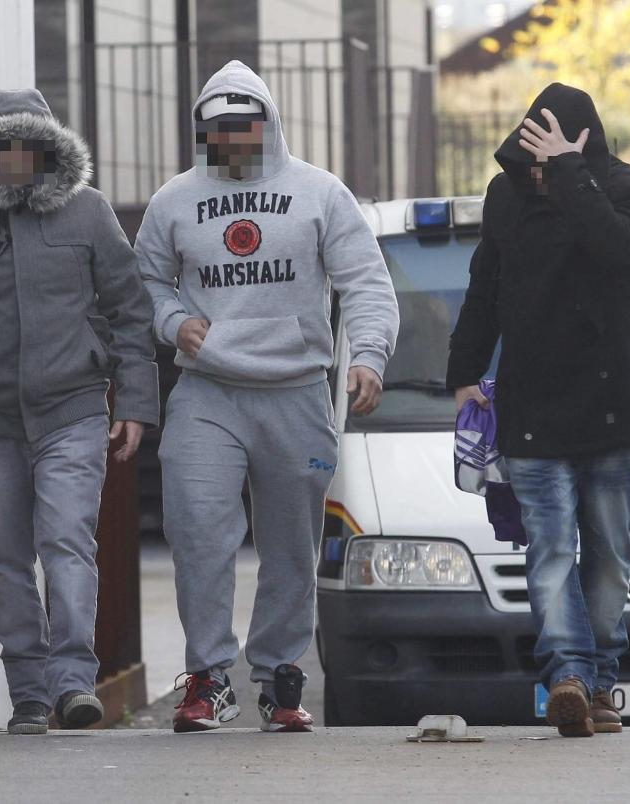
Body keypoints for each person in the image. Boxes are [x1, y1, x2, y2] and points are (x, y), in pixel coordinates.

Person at [135, 61, 399, 733]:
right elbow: (144, 283)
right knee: (197, 528)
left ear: (268, 124)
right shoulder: (173, 200)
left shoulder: (319, 192)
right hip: (207, 389)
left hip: (297, 389)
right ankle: (207, 676)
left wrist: (368, 355)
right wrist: (173, 322)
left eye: (241, 127)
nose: (229, 140)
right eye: (216, 130)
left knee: (289, 543)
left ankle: (281, 676)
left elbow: (365, 281)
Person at [0, 89, 160, 735]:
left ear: (49, 152)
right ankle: (27, 693)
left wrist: (132, 401)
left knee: (68, 541)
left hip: (71, 408)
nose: (16, 158)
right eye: (3, 147)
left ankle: (73, 684)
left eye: (29, 146)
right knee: (7, 556)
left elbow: (130, 312)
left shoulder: (90, 215)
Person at [446, 84, 630, 737]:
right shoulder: (507, 197)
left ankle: (599, 684)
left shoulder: (628, 190)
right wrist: (462, 373)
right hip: (531, 408)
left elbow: (617, 250)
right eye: (529, 161)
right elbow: (486, 286)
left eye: (547, 159)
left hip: (610, 408)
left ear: (581, 146)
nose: (536, 174)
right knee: (549, 550)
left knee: (610, 555)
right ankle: (569, 673)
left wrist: (569, 172)